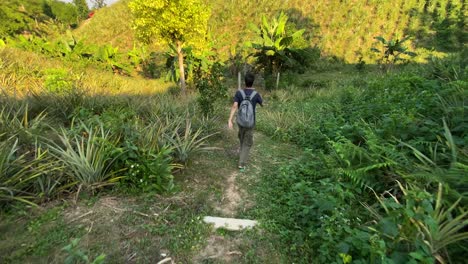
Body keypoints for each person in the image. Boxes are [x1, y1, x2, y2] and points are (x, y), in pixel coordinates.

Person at [228, 72, 263, 171]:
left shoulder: (239, 93)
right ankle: (241, 164)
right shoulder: (256, 94)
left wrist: (230, 119)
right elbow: (262, 104)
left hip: (240, 121)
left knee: (242, 137)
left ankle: (242, 152)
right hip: (250, 123)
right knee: (248, 142)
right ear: (253, 82)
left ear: (245, 82)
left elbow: (235, 106)